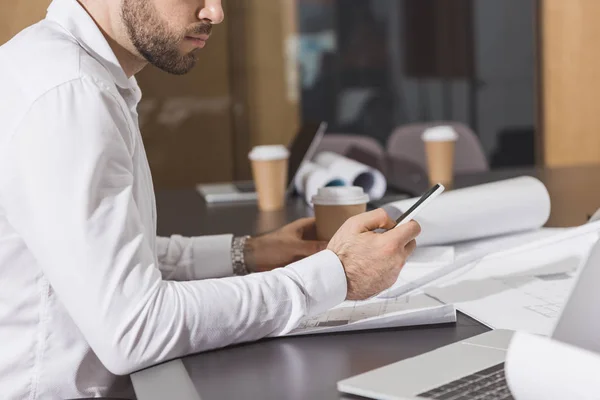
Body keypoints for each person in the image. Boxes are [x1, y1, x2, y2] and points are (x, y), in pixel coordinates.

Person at [0, 0, 421, 398]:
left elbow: (109, 261)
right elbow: (135, 328)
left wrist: (252, 253)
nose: (215, 12)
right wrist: (335, 276)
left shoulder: (57, 68)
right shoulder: (71, 96)